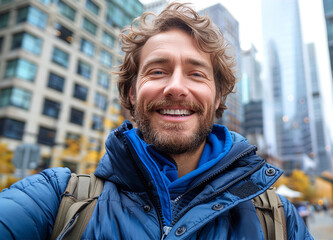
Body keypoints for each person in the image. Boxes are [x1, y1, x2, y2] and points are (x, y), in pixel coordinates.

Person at [0, 3, 313, 239]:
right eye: (157, 70)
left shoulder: (277, 219)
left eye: (196, 74)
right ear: (132, 93)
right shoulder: (57, 199)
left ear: (218, 98)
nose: (176, 86)